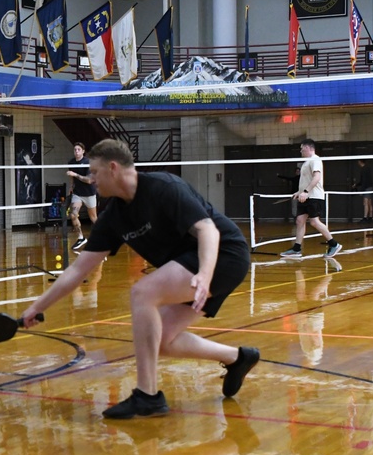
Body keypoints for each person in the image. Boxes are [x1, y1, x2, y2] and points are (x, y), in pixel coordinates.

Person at [21, 139, 259, 419]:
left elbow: (208, 230)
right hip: (191, 265)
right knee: (161, 341)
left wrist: (205, 276)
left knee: (143, 292)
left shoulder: (164, 187)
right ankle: (238, 358)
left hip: (224, 255)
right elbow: (77, 271)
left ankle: (148, 396)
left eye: (95, 173)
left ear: (113, 168)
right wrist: (38, 307)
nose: (92, 179)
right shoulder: (113, 218)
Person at [280, 139, 342, 258]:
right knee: (299, 220)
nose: (300, 150)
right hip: (305, 196)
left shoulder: (315, 159)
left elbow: (317, 177)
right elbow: (306, 180)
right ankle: (296, 249)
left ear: (308, 148)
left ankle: (334, 244)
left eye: (302, 148)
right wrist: (299, 192)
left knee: (314, 221)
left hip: (314, 196)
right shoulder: (306, 162)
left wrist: (306, 192)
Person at [66, 142, 97, 251]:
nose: (76, 151)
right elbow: (72, 178)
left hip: (89, 193)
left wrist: (75, 175)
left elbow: (88, 180)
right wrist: (71, 186)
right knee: (73, 215)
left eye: (79, 149)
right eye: (75, 149)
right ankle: (81, 238)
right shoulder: (71, 162)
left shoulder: (88, 162)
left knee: (93, 218)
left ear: (83, 151)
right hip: (77, 194)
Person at [352, 159, 373, 223]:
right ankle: (370, 217)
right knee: (370, 203)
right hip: (370, 187)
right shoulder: (367, 168)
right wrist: (357, 185)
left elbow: (363, 181)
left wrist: (361, 190)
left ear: (359, 161)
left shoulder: (363, 169)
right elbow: (363, 181)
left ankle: (365, 217)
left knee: (366, 202)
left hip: (366, 188)